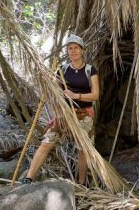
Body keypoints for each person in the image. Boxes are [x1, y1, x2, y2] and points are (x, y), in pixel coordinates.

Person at [22, 35, 99, 185]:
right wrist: (50, 88)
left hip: (84, 115)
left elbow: (95, 95)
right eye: (70, 48)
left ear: (82, 50)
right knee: (47, 142)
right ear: (67, 51)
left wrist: (76, 95)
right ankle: (28, 179)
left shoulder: (90, 70)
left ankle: (81, 183)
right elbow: (54, 91)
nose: (73, 51)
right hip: (64, 115)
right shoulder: (62, 69)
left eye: (76, 48)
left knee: (83, 150)